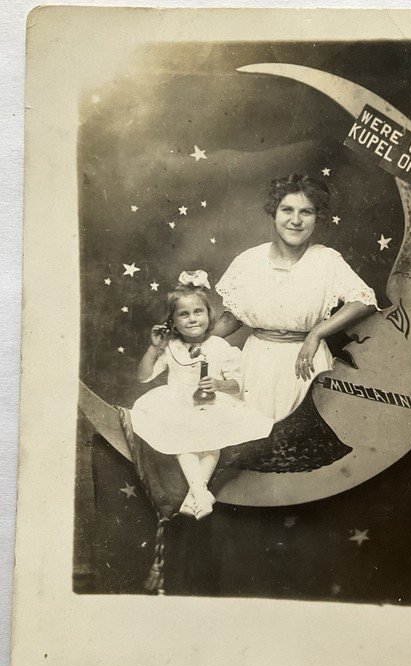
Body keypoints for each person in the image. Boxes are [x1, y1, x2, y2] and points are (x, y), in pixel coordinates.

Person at [214, 173, 379, 422]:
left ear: (317, 217)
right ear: (274, 212)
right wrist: (198, 341)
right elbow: (234, 316)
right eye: (287, 210)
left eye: (306, 212)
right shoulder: (249, 260)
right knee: (254, 438)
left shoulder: (327, 260)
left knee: (301, 438)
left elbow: (365, 301)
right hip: (258, 364)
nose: (295, 220)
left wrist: (316, 334)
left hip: (306, 362)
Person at [130, 270, 273, 520]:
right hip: (177, 403)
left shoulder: (219, 347)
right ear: (172, 321)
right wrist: (154, 349)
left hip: (211, 403)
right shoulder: (171, 347)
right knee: (182, 440)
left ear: (209, 314)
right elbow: (143, 377)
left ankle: (193, 496)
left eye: (198, 312)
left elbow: (236, 385)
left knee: (210, 440)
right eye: (183, 314)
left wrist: (218, 383)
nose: (192, 319)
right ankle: (200, 492)